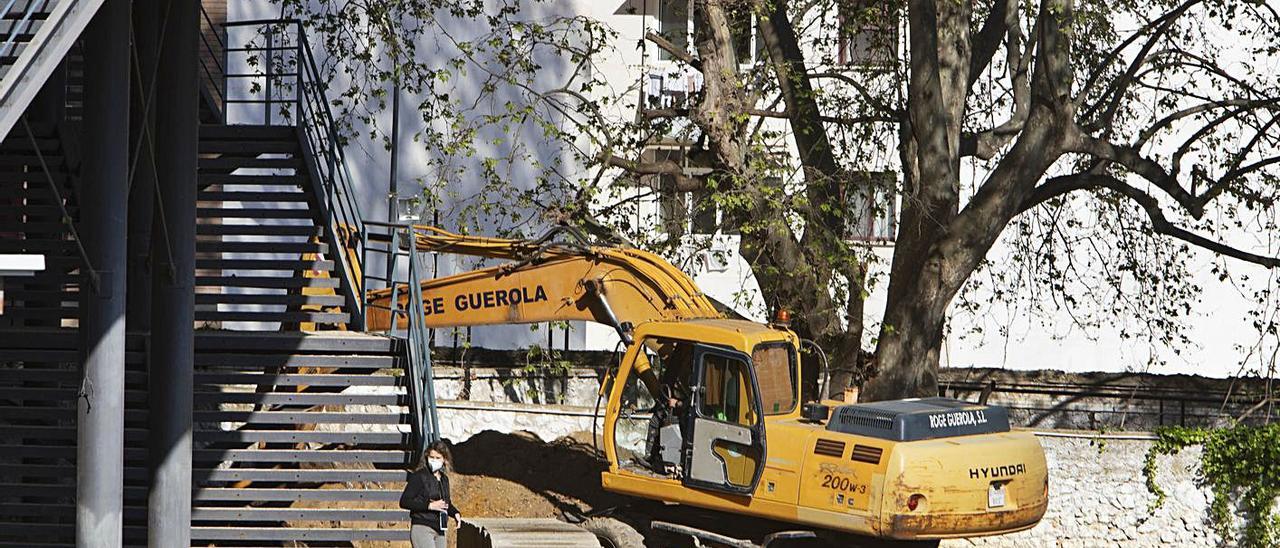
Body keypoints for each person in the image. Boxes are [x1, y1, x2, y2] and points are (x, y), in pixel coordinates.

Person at [399, 441, 460, 548]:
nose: (434, 461)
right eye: (431, 457)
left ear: (444, 459)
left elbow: (445, 503)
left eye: (438, 458)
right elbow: (404, 501)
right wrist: (429, 506)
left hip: (440, 530)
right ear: (426, 457)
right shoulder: (419, 476)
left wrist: (455, 513)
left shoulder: (444, 479)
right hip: (422, 527)